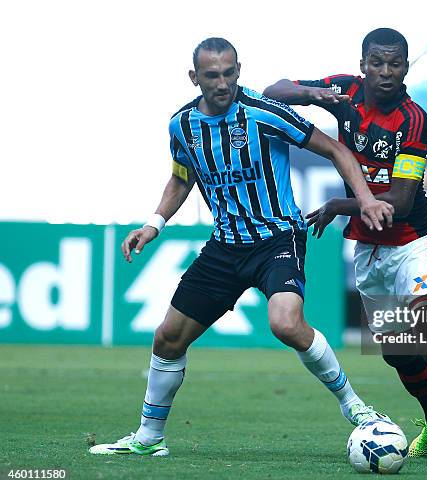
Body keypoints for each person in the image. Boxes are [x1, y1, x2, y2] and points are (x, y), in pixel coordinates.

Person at [89, 37, 393, 457]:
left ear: (238, 70)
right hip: (225, 247)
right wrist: (153, 223)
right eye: (212, 75)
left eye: (230, 73)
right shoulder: (183, 125)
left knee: (286, 323)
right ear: (194, 77)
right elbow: (182, 177)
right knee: (167, 339)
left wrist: (366, 199)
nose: (223, 83)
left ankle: (356, 408)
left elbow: (336, 150)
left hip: (276, 239)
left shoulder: (262, 113)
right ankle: (148, 438)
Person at [264, 27, 427, 466]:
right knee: (396, 351)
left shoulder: (414, 119)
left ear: (406, 67)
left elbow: (400, 203)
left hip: (415, 240)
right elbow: (274, 92)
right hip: (369, 249)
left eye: (395, 63)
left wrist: (341, 203)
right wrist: (312, 94)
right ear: (362, 63)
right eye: (377, 63)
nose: (385, 72)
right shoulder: (343, 92)